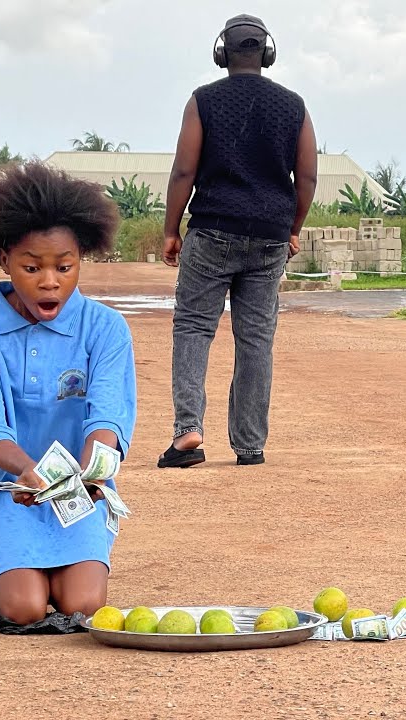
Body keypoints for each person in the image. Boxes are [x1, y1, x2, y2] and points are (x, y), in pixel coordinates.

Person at [0, 162, 136, 624]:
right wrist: (30, 474)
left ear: (80, 261)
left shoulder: (106, 328)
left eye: (64, 267)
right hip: (7, 490)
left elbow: (106, 418)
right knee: (25, 608)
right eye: (32, 267)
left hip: (80, 494)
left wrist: (92, 472)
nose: (49, 281)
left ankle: (43, 566)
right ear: (4, 258)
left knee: (84, 606)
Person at [159, 13, 318, 469]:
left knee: (193, 328)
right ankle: (250, 445)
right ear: (267, 54)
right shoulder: (294, 105)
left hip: (211, 231)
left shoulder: (203, 101)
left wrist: (172, 230)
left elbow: (184, 171)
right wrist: (293, 228)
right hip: (269, 237)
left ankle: (189, 431)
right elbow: (306, 175)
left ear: (221, 53)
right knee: (255, 339)